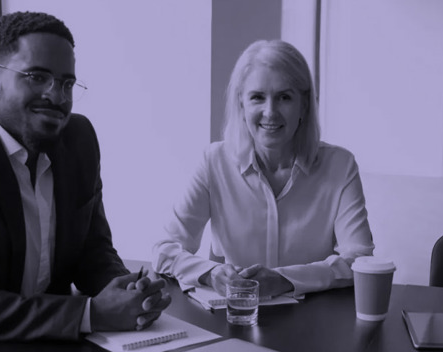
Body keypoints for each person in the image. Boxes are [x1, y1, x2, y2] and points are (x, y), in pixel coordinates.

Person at [0, 11, 170, 341]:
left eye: (67, 83)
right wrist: (91, 314)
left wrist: (127, 289)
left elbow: (93, 250)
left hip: (62, 346)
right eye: (37, 77)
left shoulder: (78, 137)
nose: (57, 97)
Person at [153, 40, 374, 298]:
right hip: (236, 318)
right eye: (258, 97)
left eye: (284, 97)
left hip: (314, 322)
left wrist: (285, 280)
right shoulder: (214, 162)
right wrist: (210, 273)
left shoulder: (340, 166)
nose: (270, 112)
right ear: (241, 104)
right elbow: (165, 250)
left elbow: (360, 260)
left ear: (303, 105)